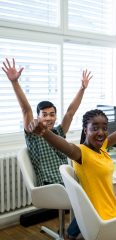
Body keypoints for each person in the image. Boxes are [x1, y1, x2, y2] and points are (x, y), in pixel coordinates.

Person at [28, 87, 116, 240]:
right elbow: (61, 144)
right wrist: (44, 132)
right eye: (95, 128)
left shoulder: (103, 146)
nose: (101, 132)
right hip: (104, 215)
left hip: (110, 205)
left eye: (104, 128)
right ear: (85, 130)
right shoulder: (80, 152)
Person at [2, 58, 92, 239]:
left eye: (52, 114)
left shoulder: (59, 131)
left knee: (95, 189)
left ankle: (83, 228)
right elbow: (25, 108)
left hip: (66, 178)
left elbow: (71, 111)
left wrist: (82, 88)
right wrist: (15, 82)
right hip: (50, 183)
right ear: (38, 116)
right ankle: (73, 233)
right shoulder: (33, 133)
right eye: (44, 115)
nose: (49, 118)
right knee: (87, 198)